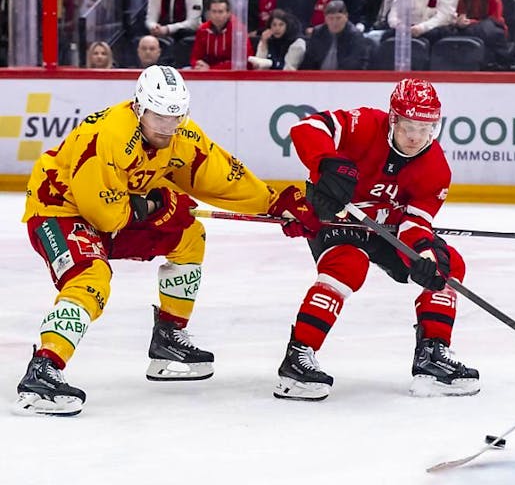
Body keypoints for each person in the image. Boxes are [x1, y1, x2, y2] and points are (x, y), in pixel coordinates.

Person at [13, 66, 321, 416]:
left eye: (175, 116)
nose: (167, 126)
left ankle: (168, 338)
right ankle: (43, 369)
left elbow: (221, 175)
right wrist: (157, 205)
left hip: (115, 209)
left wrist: (273, 202)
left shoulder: (181, 135)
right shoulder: (109, 136)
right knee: (91, 276)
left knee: (189, 235)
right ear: (139, 108)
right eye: (159, 116)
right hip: (59, 210)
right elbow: (104, 217)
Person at [274, 78, 479, 401]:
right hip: (336, 215)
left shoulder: (436, 167)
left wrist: (422, 255)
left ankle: (432, 356)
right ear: (393, 119)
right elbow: (306, 128)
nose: (416, 137)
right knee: (348, 265)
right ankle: (297, 358)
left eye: (425, 128)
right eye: (408, 126)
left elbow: (415, 223)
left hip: (387, 229)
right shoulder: (364, 124)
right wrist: (326, 161)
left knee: (446, 265)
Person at [300, 0, 371, 70]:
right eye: (331, 18)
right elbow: (309, 60)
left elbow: (354, 64)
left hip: (343, 76)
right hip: (318, 75)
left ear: (346, 16)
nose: (335, 22)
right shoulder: (318, 32)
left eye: (338, 18)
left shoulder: (355, 36)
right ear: (325, 18)